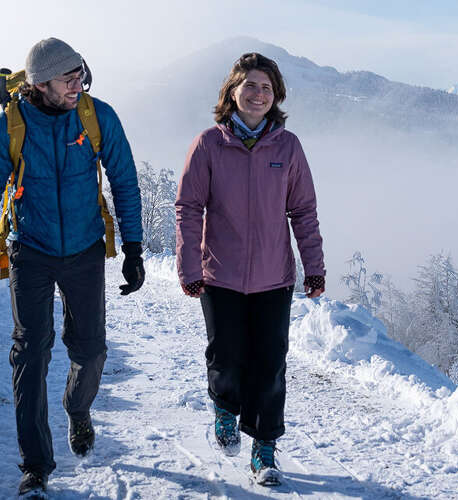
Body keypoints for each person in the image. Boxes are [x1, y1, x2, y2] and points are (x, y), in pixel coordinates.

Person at [0, 37, 144, 498]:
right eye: (68, 78)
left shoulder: (97, 117)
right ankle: (36, 467)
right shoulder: (9, 128)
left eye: (80, 73)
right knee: (31, 353)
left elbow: (124, 177)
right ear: (40, 84)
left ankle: (77, 408)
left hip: (83, 248)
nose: (78, 83)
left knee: (91, 350)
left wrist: (135, 246)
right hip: (31, 250)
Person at [175, 52, 325, 486]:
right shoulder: (209, 144)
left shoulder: (288, 146)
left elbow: (304, 210)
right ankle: (224, 406)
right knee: (226, 358)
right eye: (250, 85)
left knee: (269, 365)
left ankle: (264, 448)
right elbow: (188, 208)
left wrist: (313, 267)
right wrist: (189, 267)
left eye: (266, 87)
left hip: (273, 278)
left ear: (276, 95)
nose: (258, 94)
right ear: (232, 92)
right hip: (219, 275)